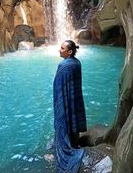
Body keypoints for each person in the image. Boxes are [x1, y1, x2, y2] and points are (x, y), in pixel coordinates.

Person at [53, 40, 87, 173]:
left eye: (62, 48)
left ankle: (67, 143)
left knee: (65, 115)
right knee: (72, 113)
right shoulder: (76, 62)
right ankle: (74, 139)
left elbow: (58, 86)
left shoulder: (64, 65)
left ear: (69, 52)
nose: (59, 50)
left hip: (66, 98)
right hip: (75, 97)